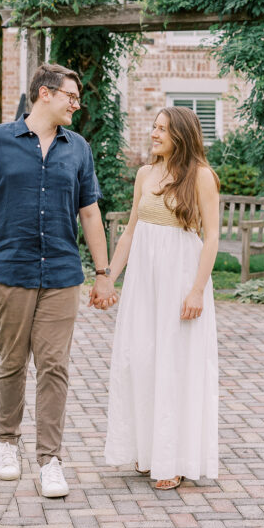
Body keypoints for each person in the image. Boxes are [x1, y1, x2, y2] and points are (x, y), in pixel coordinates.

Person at [0, 62, 118, 499]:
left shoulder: (78, 148)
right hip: (11, 270)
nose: (77, 104)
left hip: (62, 274)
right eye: (71, 96)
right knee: (12, 361)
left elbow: (90, 212)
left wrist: (103, 273)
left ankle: (50, 460)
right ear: (45, 93)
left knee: (54, 366)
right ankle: (7, 443)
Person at [104, 106, 219, 490]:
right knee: (141, 360)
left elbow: (212, 238)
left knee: (175, 364)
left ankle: (174, 459)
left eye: (162, 129)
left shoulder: (201, 176)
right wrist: (108, 278)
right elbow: (130, 234)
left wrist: (197, 289)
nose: (154, 134)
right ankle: (148, 449)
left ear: (181, 136)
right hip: (144, 283)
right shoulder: (145, 174)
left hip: (181, 280)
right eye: (154, 127)